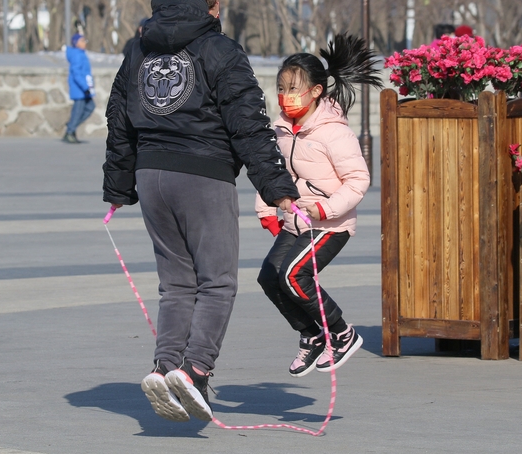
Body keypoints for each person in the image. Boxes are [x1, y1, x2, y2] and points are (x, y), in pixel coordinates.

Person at [102, 0, 299, 422]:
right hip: (203, 175)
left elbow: (119, 118)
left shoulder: (139, 50)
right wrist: (280, 190)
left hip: (151, 173)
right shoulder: (220, 50)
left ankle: (165, 367)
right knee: (217, 282)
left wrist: (119, 185)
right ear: (210, 6)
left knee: (175, 283)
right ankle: (194, 369)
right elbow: (248, 124)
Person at [255, 33, 383, 378]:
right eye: (281, 88)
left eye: (294, 89)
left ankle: (342, 333)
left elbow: (359, 179)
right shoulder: (281, 129)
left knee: (295, 276)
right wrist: (266, 210)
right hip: (295, 222)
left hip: (331, 225)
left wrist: (327, 209)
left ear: (315, 92)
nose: (286, 96)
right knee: (269, 278)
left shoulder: (333, 132)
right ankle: (311, 335)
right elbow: (273, 172)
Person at [64, 33, 95, 144]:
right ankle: (70, 132)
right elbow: (77, 73)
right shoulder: (77, 55)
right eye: (82, 41)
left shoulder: (81, 54)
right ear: (76, 43)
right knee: (78, 111)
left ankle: (71, 125)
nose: (84, 43)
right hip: (79, 90)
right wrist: (85, 87)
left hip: (84, 89)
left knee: (90, 107)